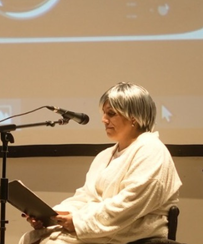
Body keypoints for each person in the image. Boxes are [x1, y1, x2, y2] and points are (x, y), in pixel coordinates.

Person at [20, 82, 182, 244]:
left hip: (131, 233)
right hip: (98, 228)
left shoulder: (151, 151)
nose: (104, 120)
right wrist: (53, 215)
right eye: (104, 113)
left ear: (134, 117)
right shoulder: (105, 156)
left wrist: (79, 222)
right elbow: (85, 197)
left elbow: (129, 205)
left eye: (111, 114)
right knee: (30, 239)